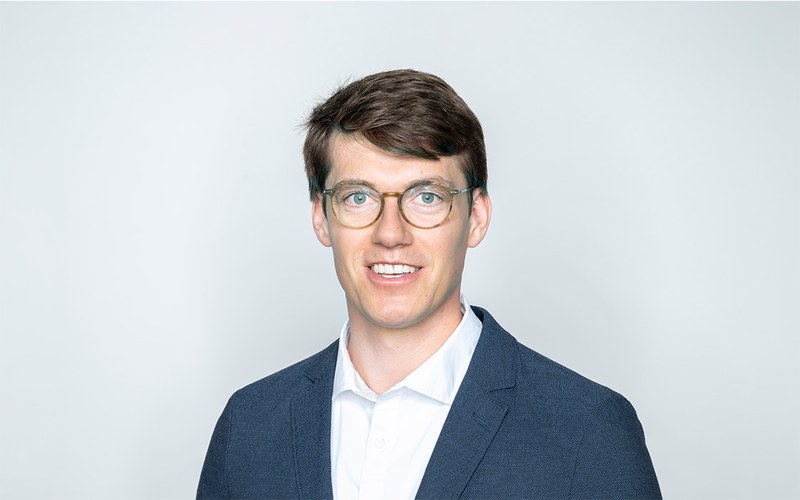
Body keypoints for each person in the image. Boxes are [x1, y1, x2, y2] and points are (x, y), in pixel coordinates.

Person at [197, 69, 661, 499]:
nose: (390, 233)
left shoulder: (587, 431)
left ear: (476, 218)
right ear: (321, 217)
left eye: (426, 197)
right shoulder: (248, 426)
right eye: (358, 197)